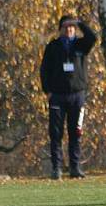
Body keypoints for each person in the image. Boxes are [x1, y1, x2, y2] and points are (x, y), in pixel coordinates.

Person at [40, 15, 97, 179]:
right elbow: (44, 70)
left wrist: (80, 23)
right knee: (56, 133)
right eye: (66, 27)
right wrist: (48, 91)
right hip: (57, 95)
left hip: (77, 95)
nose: (69, 29)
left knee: (76, 132)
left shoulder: (81, 44)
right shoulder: (53, 46)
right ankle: (56, 168)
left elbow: (93, 37)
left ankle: (75, 167)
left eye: (72, 27)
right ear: (60, 29)